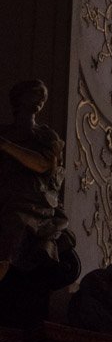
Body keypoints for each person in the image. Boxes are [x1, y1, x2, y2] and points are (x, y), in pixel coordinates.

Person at [0, 80, 73, 283]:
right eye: (36, 93)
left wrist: (6, 146)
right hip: (5, 191)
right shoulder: (4, 131)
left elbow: (43, 164)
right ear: (20, 98)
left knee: (15, 222)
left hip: (31, 199)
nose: (41, 99)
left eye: (44, 96)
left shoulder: (46, 136)